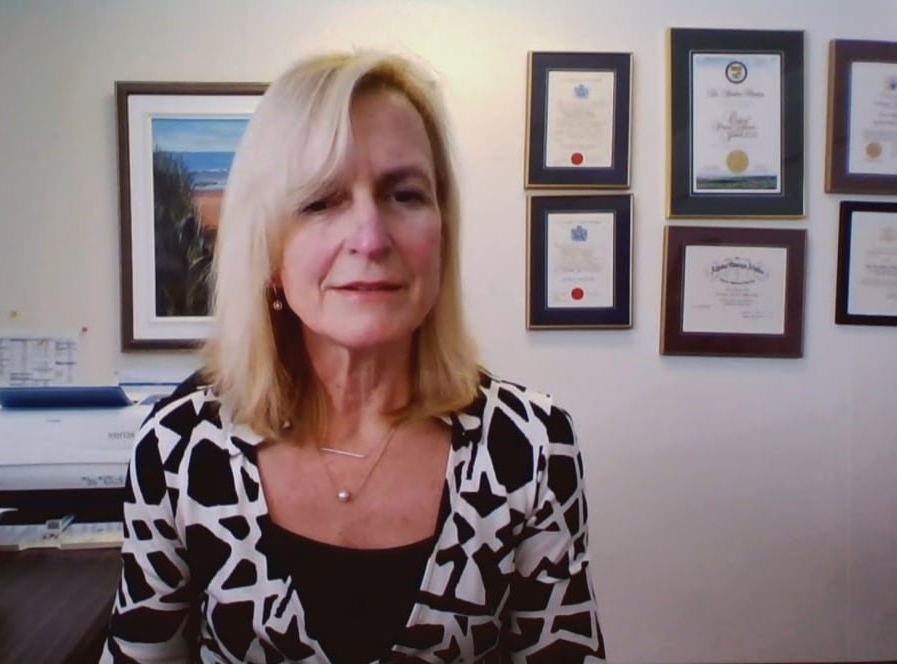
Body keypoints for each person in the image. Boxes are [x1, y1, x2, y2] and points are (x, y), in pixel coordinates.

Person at [105, 50, 605, 663]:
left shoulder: (531, 446)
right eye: (321, 201)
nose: (370, 238)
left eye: (404, 194)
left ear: (441, 231)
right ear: (268, 247)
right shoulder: (179, 448)